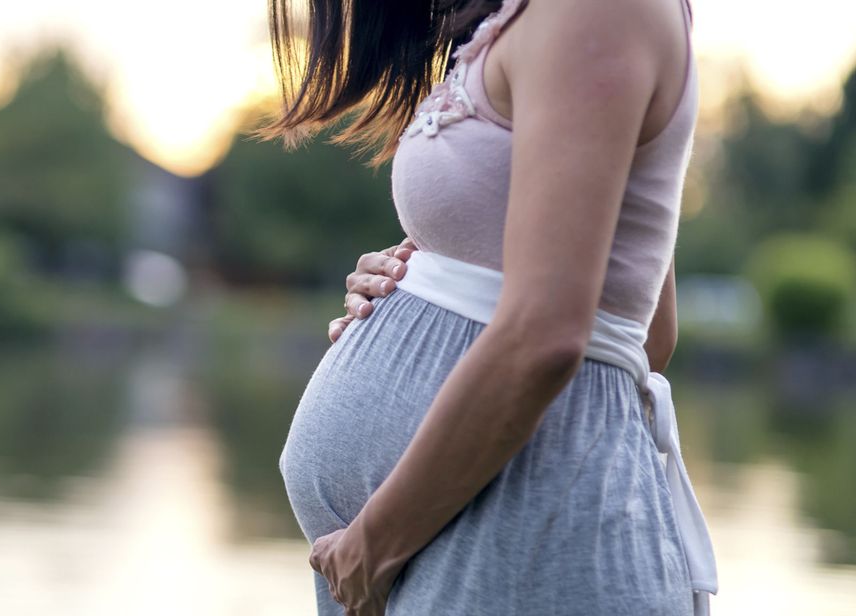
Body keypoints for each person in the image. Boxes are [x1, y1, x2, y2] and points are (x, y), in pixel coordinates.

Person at [258, 0, 717, 614]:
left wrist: (374, 546)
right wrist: (418, 285)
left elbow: (553, 335)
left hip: (518, 538)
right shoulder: (519, 19)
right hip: (455, 545)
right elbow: (639, 318)